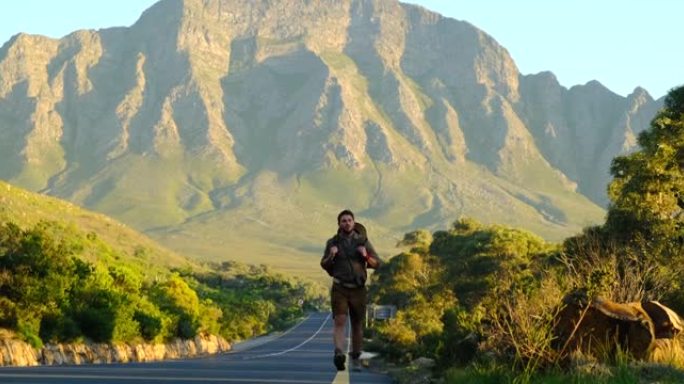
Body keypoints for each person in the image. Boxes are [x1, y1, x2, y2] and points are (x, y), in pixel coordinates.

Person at [320, 209, 381, 371]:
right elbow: (324, 264)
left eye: (349, 220)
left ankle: (355, 356)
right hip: (340, 287)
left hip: (358, 289)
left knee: (357, 324)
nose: (346, 223)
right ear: (339, 224)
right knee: (339, 320)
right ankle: (339, 353)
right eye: (343, 221)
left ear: (354, 223)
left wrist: (366, 256)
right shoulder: (333, 242)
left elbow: (377, 264)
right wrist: (331, 256)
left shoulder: (363, 242)